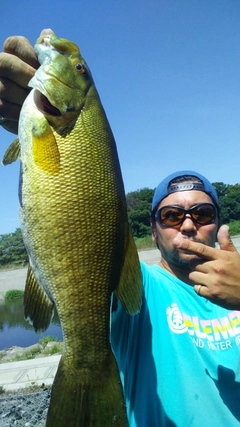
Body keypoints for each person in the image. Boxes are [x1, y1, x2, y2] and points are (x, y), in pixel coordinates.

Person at [1, 30, 240, 426]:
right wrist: (27, 118)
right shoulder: (141, 295)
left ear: (218, 221)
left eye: (201, 213)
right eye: (170, 215)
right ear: (152, 227)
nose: (187, 224)